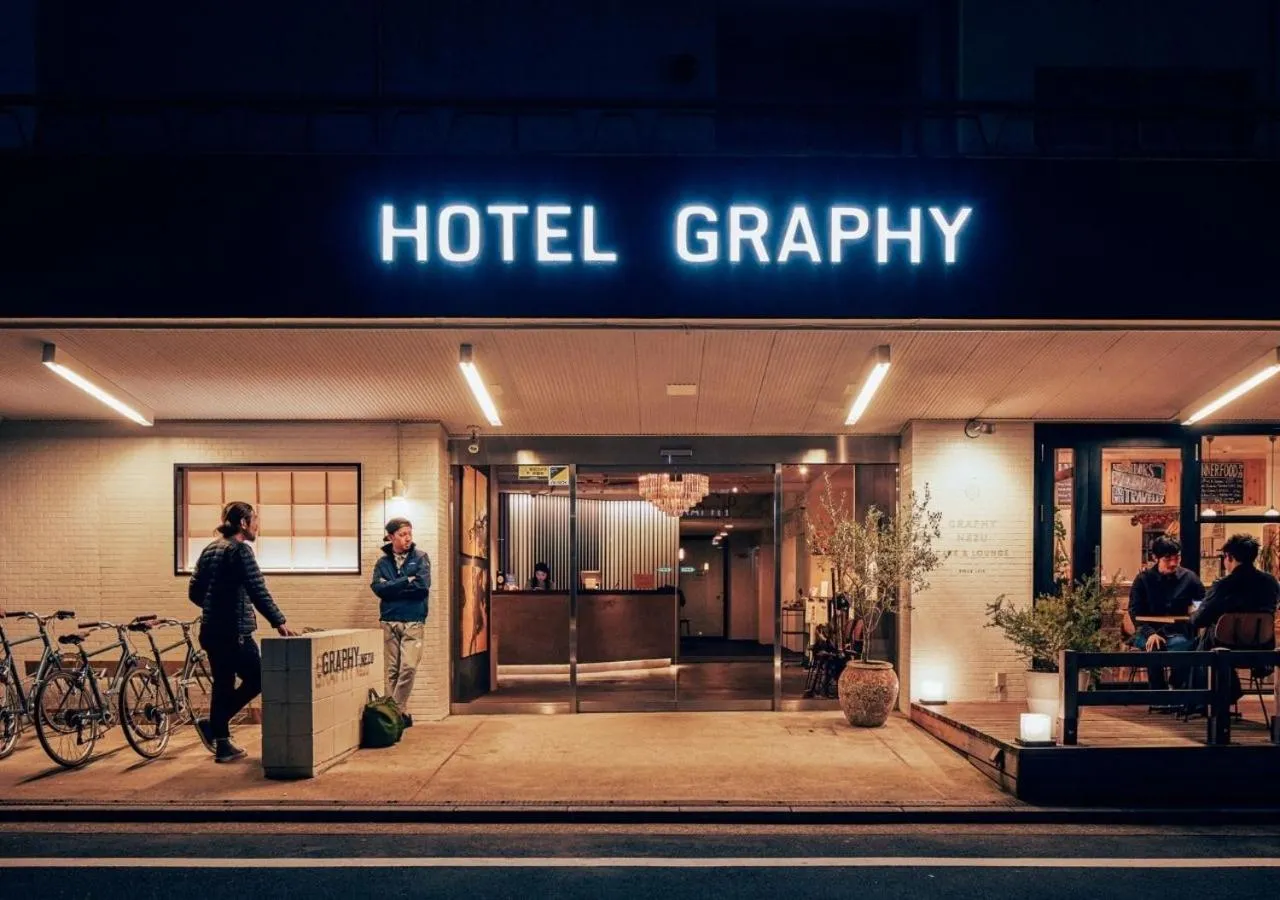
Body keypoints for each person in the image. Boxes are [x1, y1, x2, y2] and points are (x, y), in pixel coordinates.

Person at [188, 501, 296, 763]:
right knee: (260, 678)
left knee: (223, 684)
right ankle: (215, 724)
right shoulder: (240, 551)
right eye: (255, 520)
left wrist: (215, 606)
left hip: (210, 630)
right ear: (243, 523)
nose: (258, 525)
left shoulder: (209, 549)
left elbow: (194, 592)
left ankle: (222, 744)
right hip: (235, 632)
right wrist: (278, 621)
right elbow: (257, 589)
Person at [1187, 533, 1279, 705]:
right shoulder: (1271, 583)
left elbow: (1200, 619)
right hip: (1260, 648)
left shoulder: (1223, 585)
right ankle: (1228, 692)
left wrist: (1192, 614)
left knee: (1205, 637)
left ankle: (1201, 700)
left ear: (1229, 557)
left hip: (1223, 649)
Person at [371, 517, 430, 726]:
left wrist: (392, 587)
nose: (407, 539)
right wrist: (406, 580)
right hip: (388, 619)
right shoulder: (382, 562)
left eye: (409, 534)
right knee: (391, 670)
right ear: (390, 537)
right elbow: (378, 589)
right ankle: (399, 714)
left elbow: (422, 588)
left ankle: (391, 712)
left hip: (414, 619)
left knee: (409, 667)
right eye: (402, 534)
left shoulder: (420, 558)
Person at [1127, 535, 1203, 693]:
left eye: (1177, 558)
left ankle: (1176, 689)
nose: (1174, 563)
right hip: (1146, 631)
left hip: (1178, 632)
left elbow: (1201, 604)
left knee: (1186, 645)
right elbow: (1135, 612)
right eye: (1168, 559)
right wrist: (1150, 634)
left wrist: (1195, 614)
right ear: (1155, 558)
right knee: (1155, 645)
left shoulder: (1189, 578)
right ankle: (1158, 695)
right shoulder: (1143, 580)